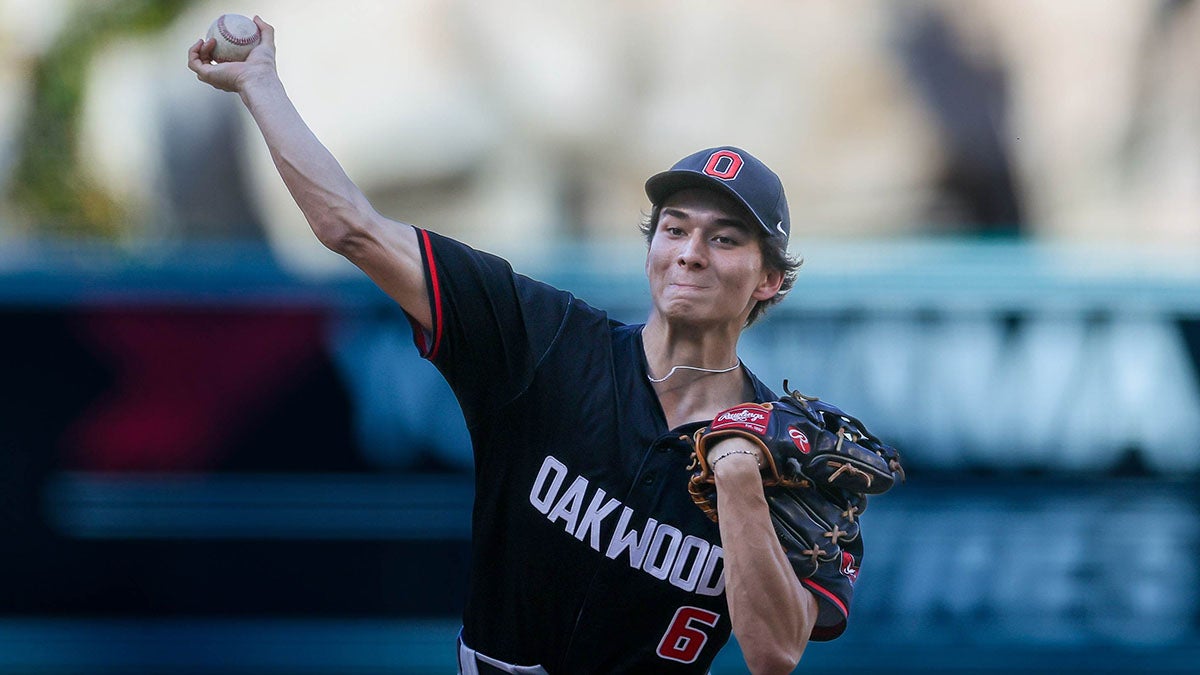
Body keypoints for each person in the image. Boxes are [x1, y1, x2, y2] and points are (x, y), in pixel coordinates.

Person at [189, 17, 862, 674]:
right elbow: (352, 228)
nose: (689, 253)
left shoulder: (786, 454)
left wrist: (742, 479)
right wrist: (261, 86)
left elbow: (776, 653)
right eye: (673, 228)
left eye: (723, 237)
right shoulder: (544, 339)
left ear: (770, 279)